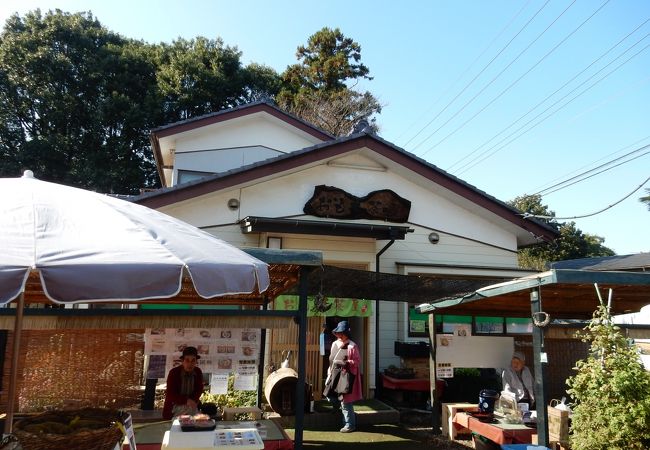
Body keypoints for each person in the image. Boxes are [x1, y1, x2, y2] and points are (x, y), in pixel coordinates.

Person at [326, 320, 362, 433]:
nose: (339, 335)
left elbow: (357, 362)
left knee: (346, 401)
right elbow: (331, 360)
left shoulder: (352, 346)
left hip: (346, 377)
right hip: (334, 374)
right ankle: (337, 411)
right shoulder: (334, 344)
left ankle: (349, 424)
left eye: (341, 332)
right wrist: (329, 372)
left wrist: (347, 362)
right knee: (330, 395)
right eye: (338, 332)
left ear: (346, 333)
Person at [163, 346, 204, 420]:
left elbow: (199, 389)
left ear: (196, 361)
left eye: (193, 360)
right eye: (187, 360)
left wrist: (193, 400)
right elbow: (170, 394)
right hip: (174, 408)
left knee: (195, 425)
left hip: (191, 406)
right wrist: (186, 400)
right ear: (183, 361)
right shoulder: (174, 373)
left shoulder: (198, 372)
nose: (190, 364)